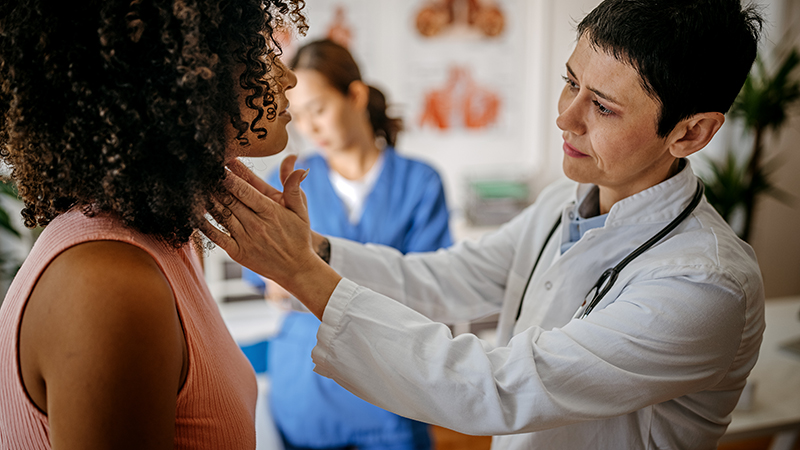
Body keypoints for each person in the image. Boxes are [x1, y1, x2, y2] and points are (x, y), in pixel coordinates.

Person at [203, 0, 766, 448]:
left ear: (690, 133)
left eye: (602, 107)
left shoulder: (703, 285)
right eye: (571, 82)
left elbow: (498, 386)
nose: (564, 117)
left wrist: (300, 273)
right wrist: (315, 251)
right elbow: (444, 279)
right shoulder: (562, 204)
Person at [0, 0, 305, 448]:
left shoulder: (163, 240)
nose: (287, 77)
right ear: (182, 78)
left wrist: (302, 263)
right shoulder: (108, 283)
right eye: (259, 52)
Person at [243, 39, 451, 450]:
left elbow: (430, 291)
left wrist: (307, 276)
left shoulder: (420, 182)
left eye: (318, 109)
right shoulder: (286, 182)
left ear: (354, 96)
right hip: (307, 388)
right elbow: (272, 285)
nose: (308, 128)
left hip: (391, 386)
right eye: (296, 115)